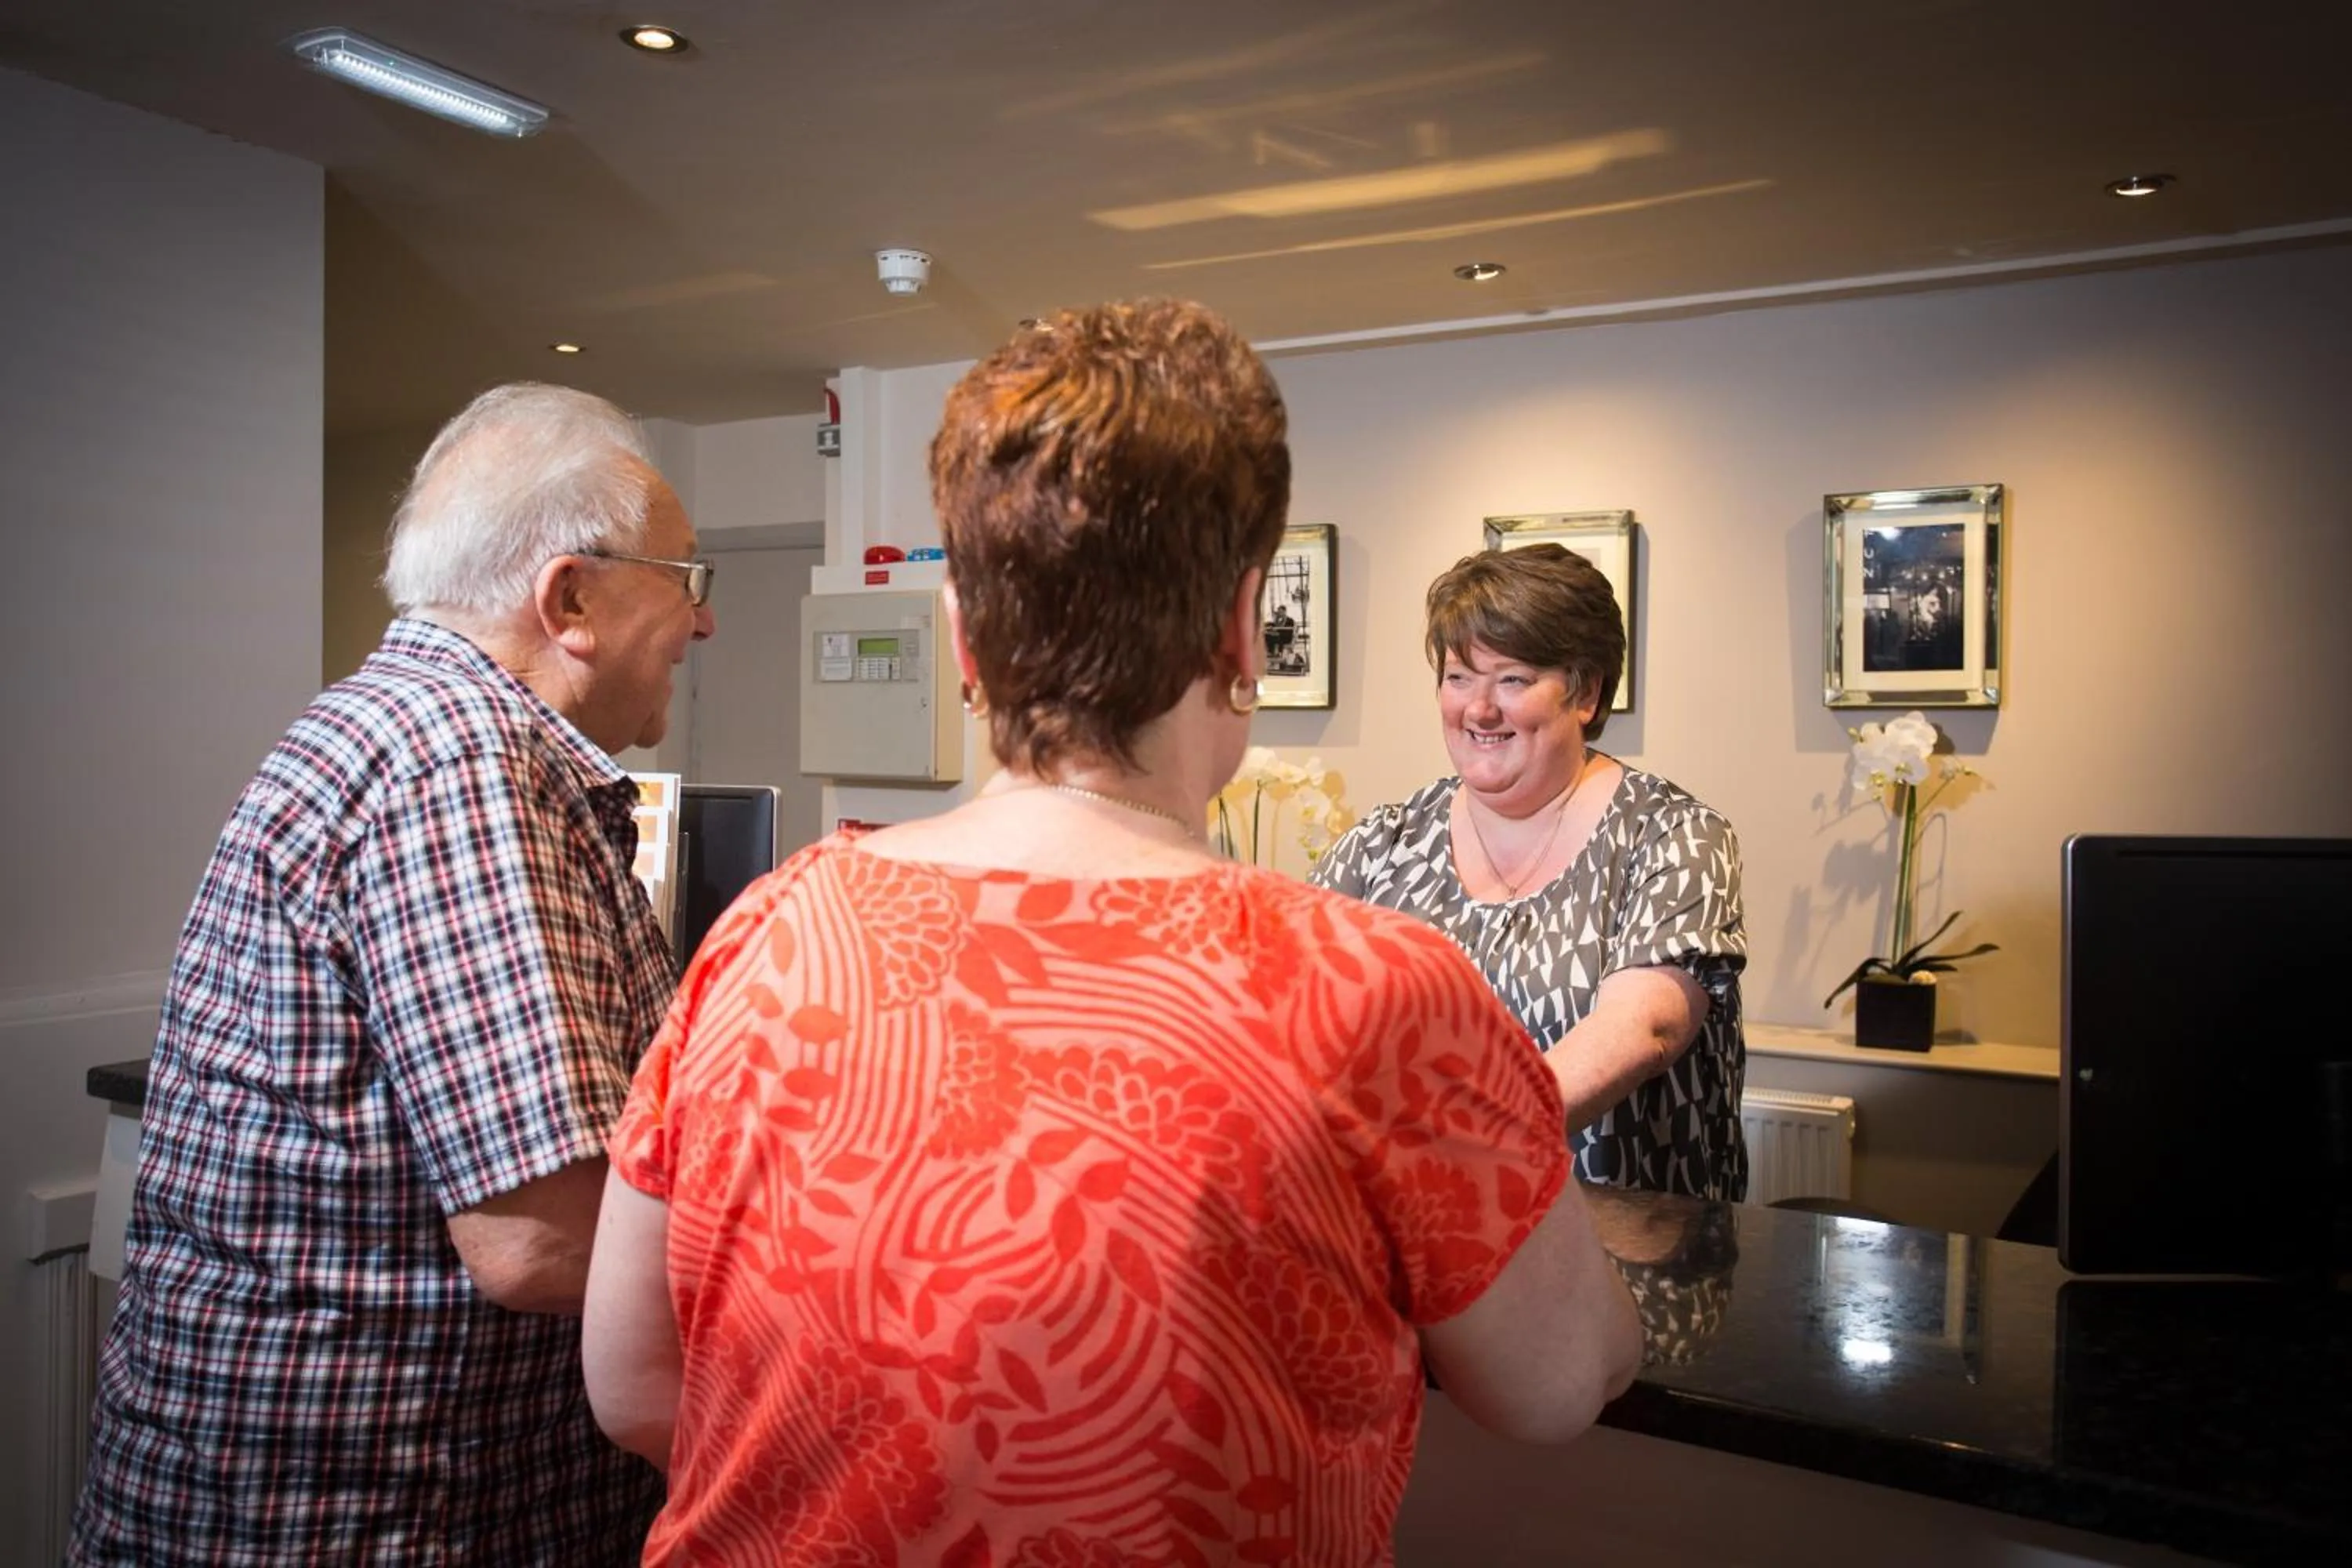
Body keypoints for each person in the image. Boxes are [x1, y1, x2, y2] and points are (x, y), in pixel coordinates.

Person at [581, 300, 1642, 1565]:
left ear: (964, 636)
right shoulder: (1375, 990)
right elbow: (1557, 1384)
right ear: (1240, 630)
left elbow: (632, 1385)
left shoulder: (768, 930)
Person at [72, 384, 714, 1564]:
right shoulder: (456, 761)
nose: (702, 619)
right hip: (367, 1518)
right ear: (569, 598)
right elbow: (539, 1240)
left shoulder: (404, 726)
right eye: (686, 578)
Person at [1312, 545, 1749, 1200]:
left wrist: (1464, 1152)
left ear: (1586, 692)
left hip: (1629, 1243)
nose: (1479, 709)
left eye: (1513, 679)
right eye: (1459, 677)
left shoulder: (1672, 836)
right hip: (1426, 1238)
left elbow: (1644, 1027)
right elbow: (1292, 1013)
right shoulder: (1384, 844)